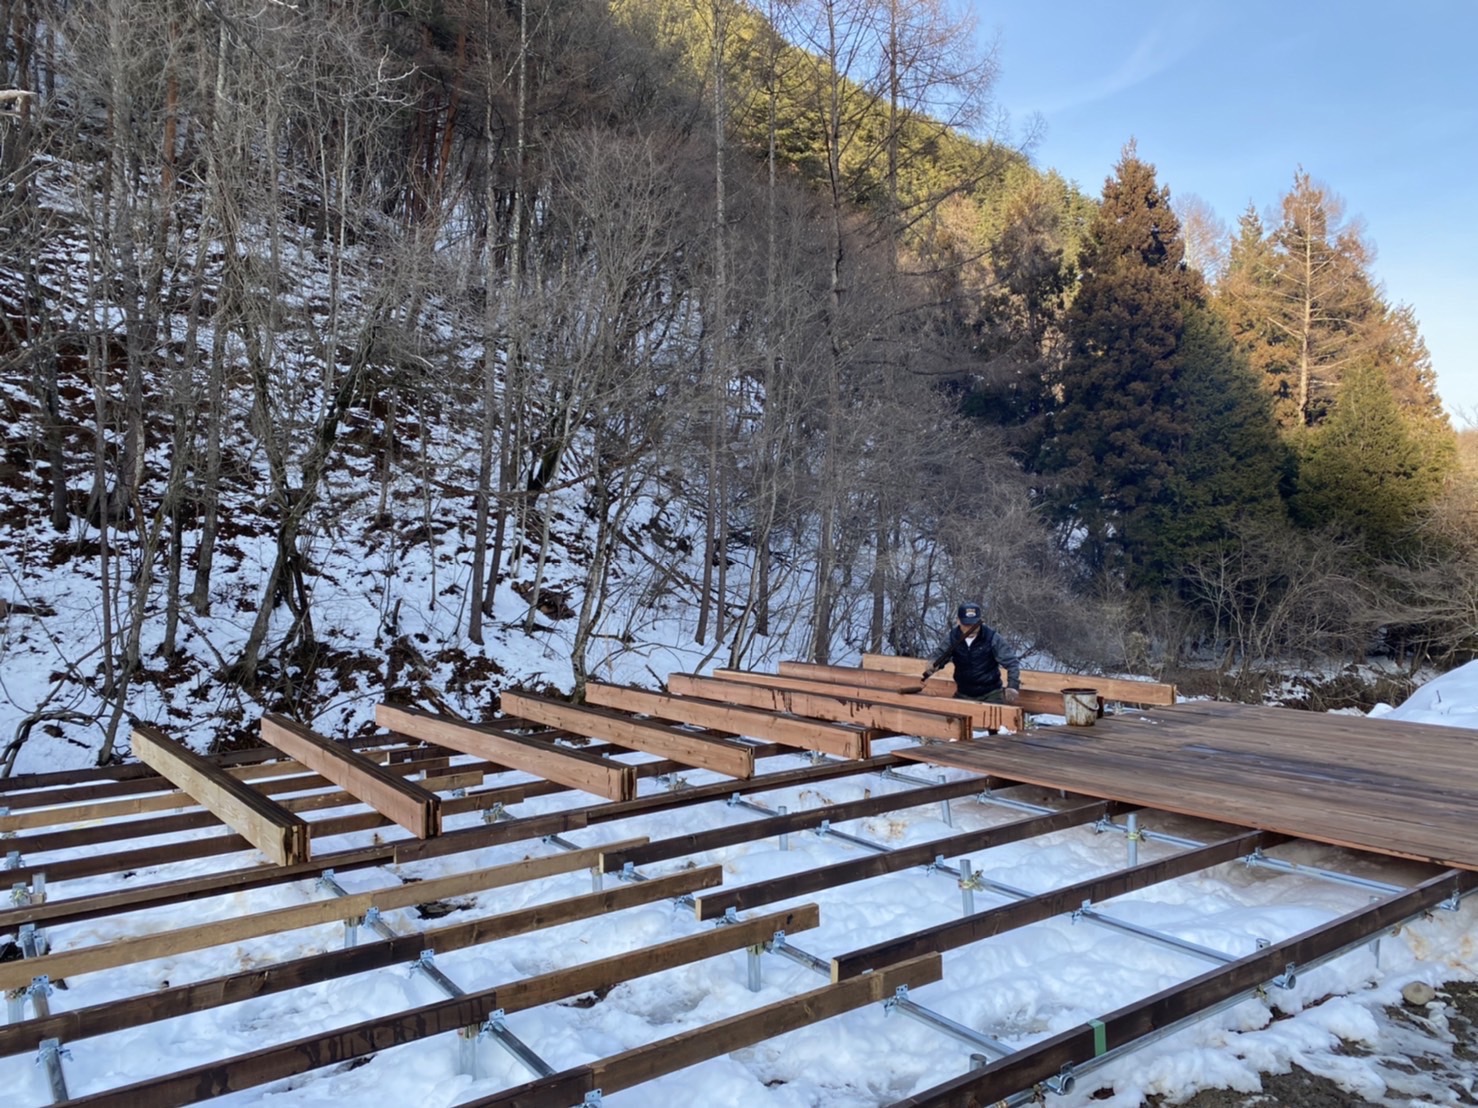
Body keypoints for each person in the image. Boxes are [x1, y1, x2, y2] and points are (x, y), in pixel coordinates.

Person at [922, 602, 1021, 704]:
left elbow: (1012, 663)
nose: (971, 629)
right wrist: (933, 662)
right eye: (966, 624)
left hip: (991, 694)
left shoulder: (992, 638)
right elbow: (940, 654)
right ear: (958, 621)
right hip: (963, 694)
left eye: (974, 625)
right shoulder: (952, 638)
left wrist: (1012, 686)